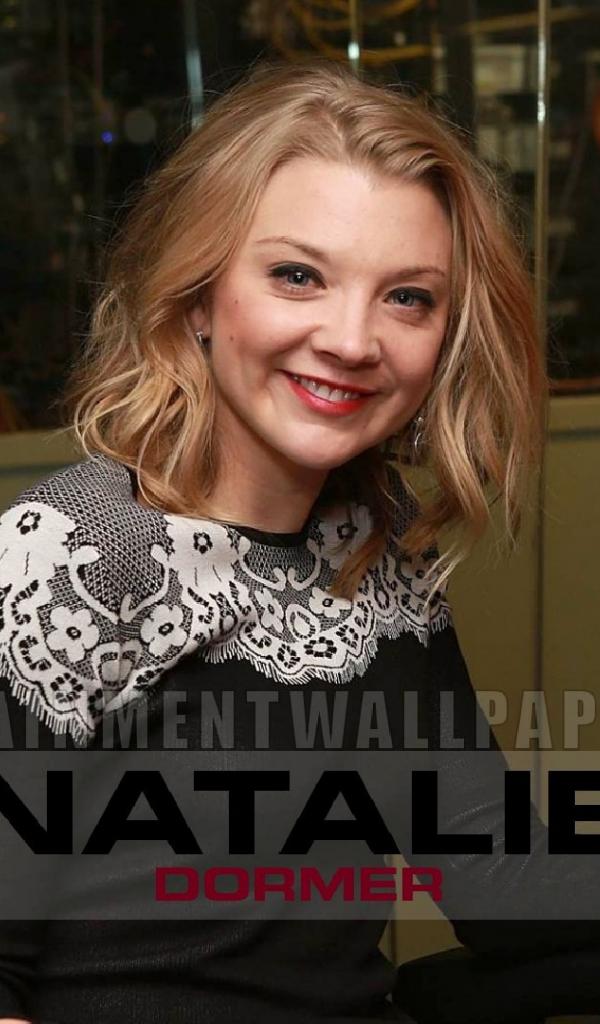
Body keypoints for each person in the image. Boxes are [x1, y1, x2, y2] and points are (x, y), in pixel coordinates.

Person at [0, 58, 598, 1024]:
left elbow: (499, 878)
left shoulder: (379, 543)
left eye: (408, 297)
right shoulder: (73, 554)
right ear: (198, 296)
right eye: (297, 276)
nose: (353, 341)